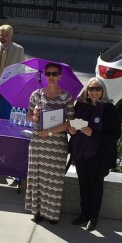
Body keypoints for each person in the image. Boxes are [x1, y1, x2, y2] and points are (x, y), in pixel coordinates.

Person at [68, 77, 121, 231]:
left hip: (99, 155)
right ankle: (84, 213)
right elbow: (74, 124)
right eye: (91, 89)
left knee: (95, 186)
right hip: (81, 152)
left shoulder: (109, 109)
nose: (94, 92)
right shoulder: (81, 105)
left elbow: (115, 135)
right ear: (87, 91)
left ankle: (93, 217)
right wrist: (71, 130)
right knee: (83, 184)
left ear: (102, 91)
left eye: (97, 89)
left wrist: (94, 134)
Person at [25, 62, 75, 225]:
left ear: (60, 76)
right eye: (48, 74)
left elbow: (70, 123)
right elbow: (28, 118)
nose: (51, 77)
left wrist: (50, 132)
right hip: (38, 144)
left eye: (55, 74)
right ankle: (37, 211)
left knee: (53, 180)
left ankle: (51, 214)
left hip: (56, 145)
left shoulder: (66, 97)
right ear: (44, 76)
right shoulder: (36, 95)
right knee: (38, 177)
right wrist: (35, 116)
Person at [0, 24, 25, 114]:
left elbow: (21, 69)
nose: (3, 37)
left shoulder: (18, 49)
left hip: (10, 84)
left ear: (11, 36)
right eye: (1, 35)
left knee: (8, 107)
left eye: (6, 35)